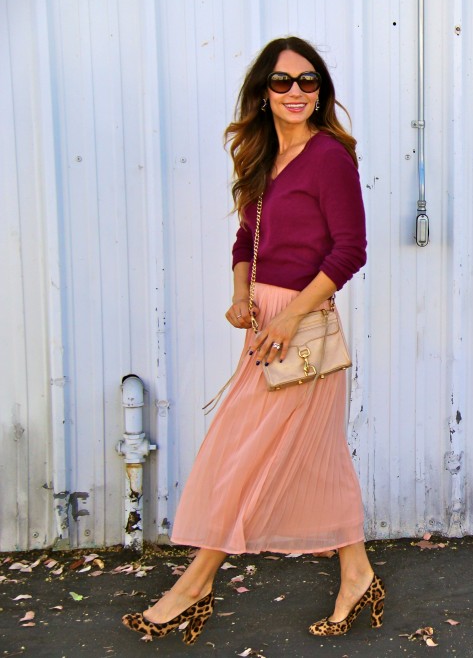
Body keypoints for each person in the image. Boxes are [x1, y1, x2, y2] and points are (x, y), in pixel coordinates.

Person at [121, 37, 382, 644]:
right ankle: (358, 572)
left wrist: (289, 316)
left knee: (242, 453)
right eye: (283, 82)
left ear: (322, 92)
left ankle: (194, 585)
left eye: (309, 81)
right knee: (319, 457)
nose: (297, 93)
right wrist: (243, 295)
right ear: (264, 93)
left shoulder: (329, 158)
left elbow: (351, 250)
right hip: (264, 324)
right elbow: (246, 243)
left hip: (300, 326)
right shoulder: (262, 161)